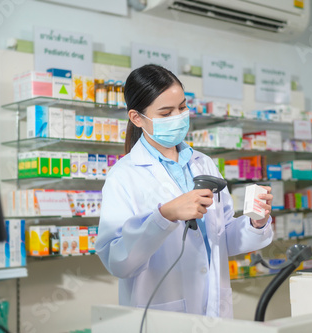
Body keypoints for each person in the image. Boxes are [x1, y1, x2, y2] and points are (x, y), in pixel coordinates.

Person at [96, 64, 274, 318]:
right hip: (161, 312)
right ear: (137, 118)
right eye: (166, 112)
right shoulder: (123, 176)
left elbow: (220, 237)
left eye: (182, 107)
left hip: (214, 310)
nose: (178, 117)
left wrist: (256, 223)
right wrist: (164, 216)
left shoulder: (203, 163)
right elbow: (117, 261)